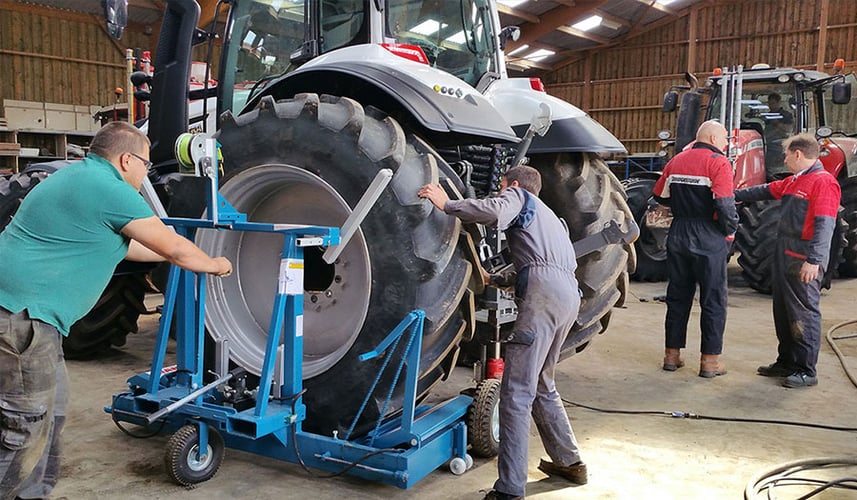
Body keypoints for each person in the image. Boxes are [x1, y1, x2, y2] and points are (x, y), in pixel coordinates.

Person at [0, 121, 232, 498]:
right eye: (144, 166)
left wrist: (181, 256)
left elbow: (131, 248)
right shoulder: (110, 189)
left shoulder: (76, 179)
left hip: (26, 318)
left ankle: (33, 493)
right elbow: (174, 247)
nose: (145, 176)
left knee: (51, 413)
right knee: (24, 427)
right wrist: (218, 263)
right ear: (126, 159)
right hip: (22, 320)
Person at [418, 166, 586, 500]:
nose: (500, 193)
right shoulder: (550, 217)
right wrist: (494, 279)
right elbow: (541, 264)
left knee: (517, 394)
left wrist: (448, 204)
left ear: (512, 185)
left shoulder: (517, 196)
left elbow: (494, 211)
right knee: (542, 384)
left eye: (501, 188)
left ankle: (510, 488)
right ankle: (570, 462)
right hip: (568, 296)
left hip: (542, 298)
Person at [734, 133, 840, 388]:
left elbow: (825, 225)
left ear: (798, 154)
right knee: (783, 311)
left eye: (786, 155)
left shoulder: (823, 182)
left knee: (803, 313)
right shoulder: (796, 180)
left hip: (802, 255)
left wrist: (814, 260)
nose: (784, 159)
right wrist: (732, 193)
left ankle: (806, 369)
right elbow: (766, 190)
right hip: (784, 253)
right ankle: (786, 362)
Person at [652, 120, 739, 378]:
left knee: (677, 296)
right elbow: (724, 205)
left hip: (678, 233)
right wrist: (730, 230)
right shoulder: (719, 162)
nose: (725, 143)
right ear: (712, 138)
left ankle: (671, 356)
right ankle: (710, 362)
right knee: (713, 299)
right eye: (724, 138)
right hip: (708, 235)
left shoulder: (676, 161)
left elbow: (660, 197)